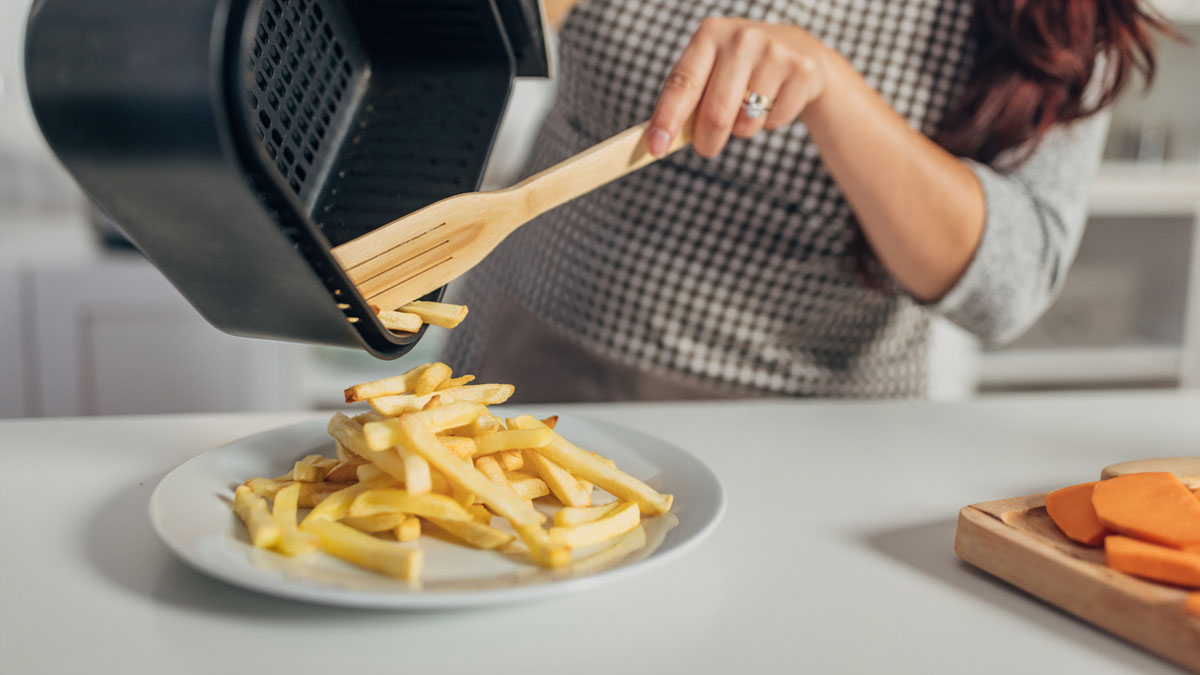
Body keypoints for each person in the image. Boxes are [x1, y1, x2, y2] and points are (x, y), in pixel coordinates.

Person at [444, 0, 1167, 401]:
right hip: (533, 362)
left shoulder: (1062, 23)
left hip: (806, 423)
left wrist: (830, 89)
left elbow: (1009, 290)